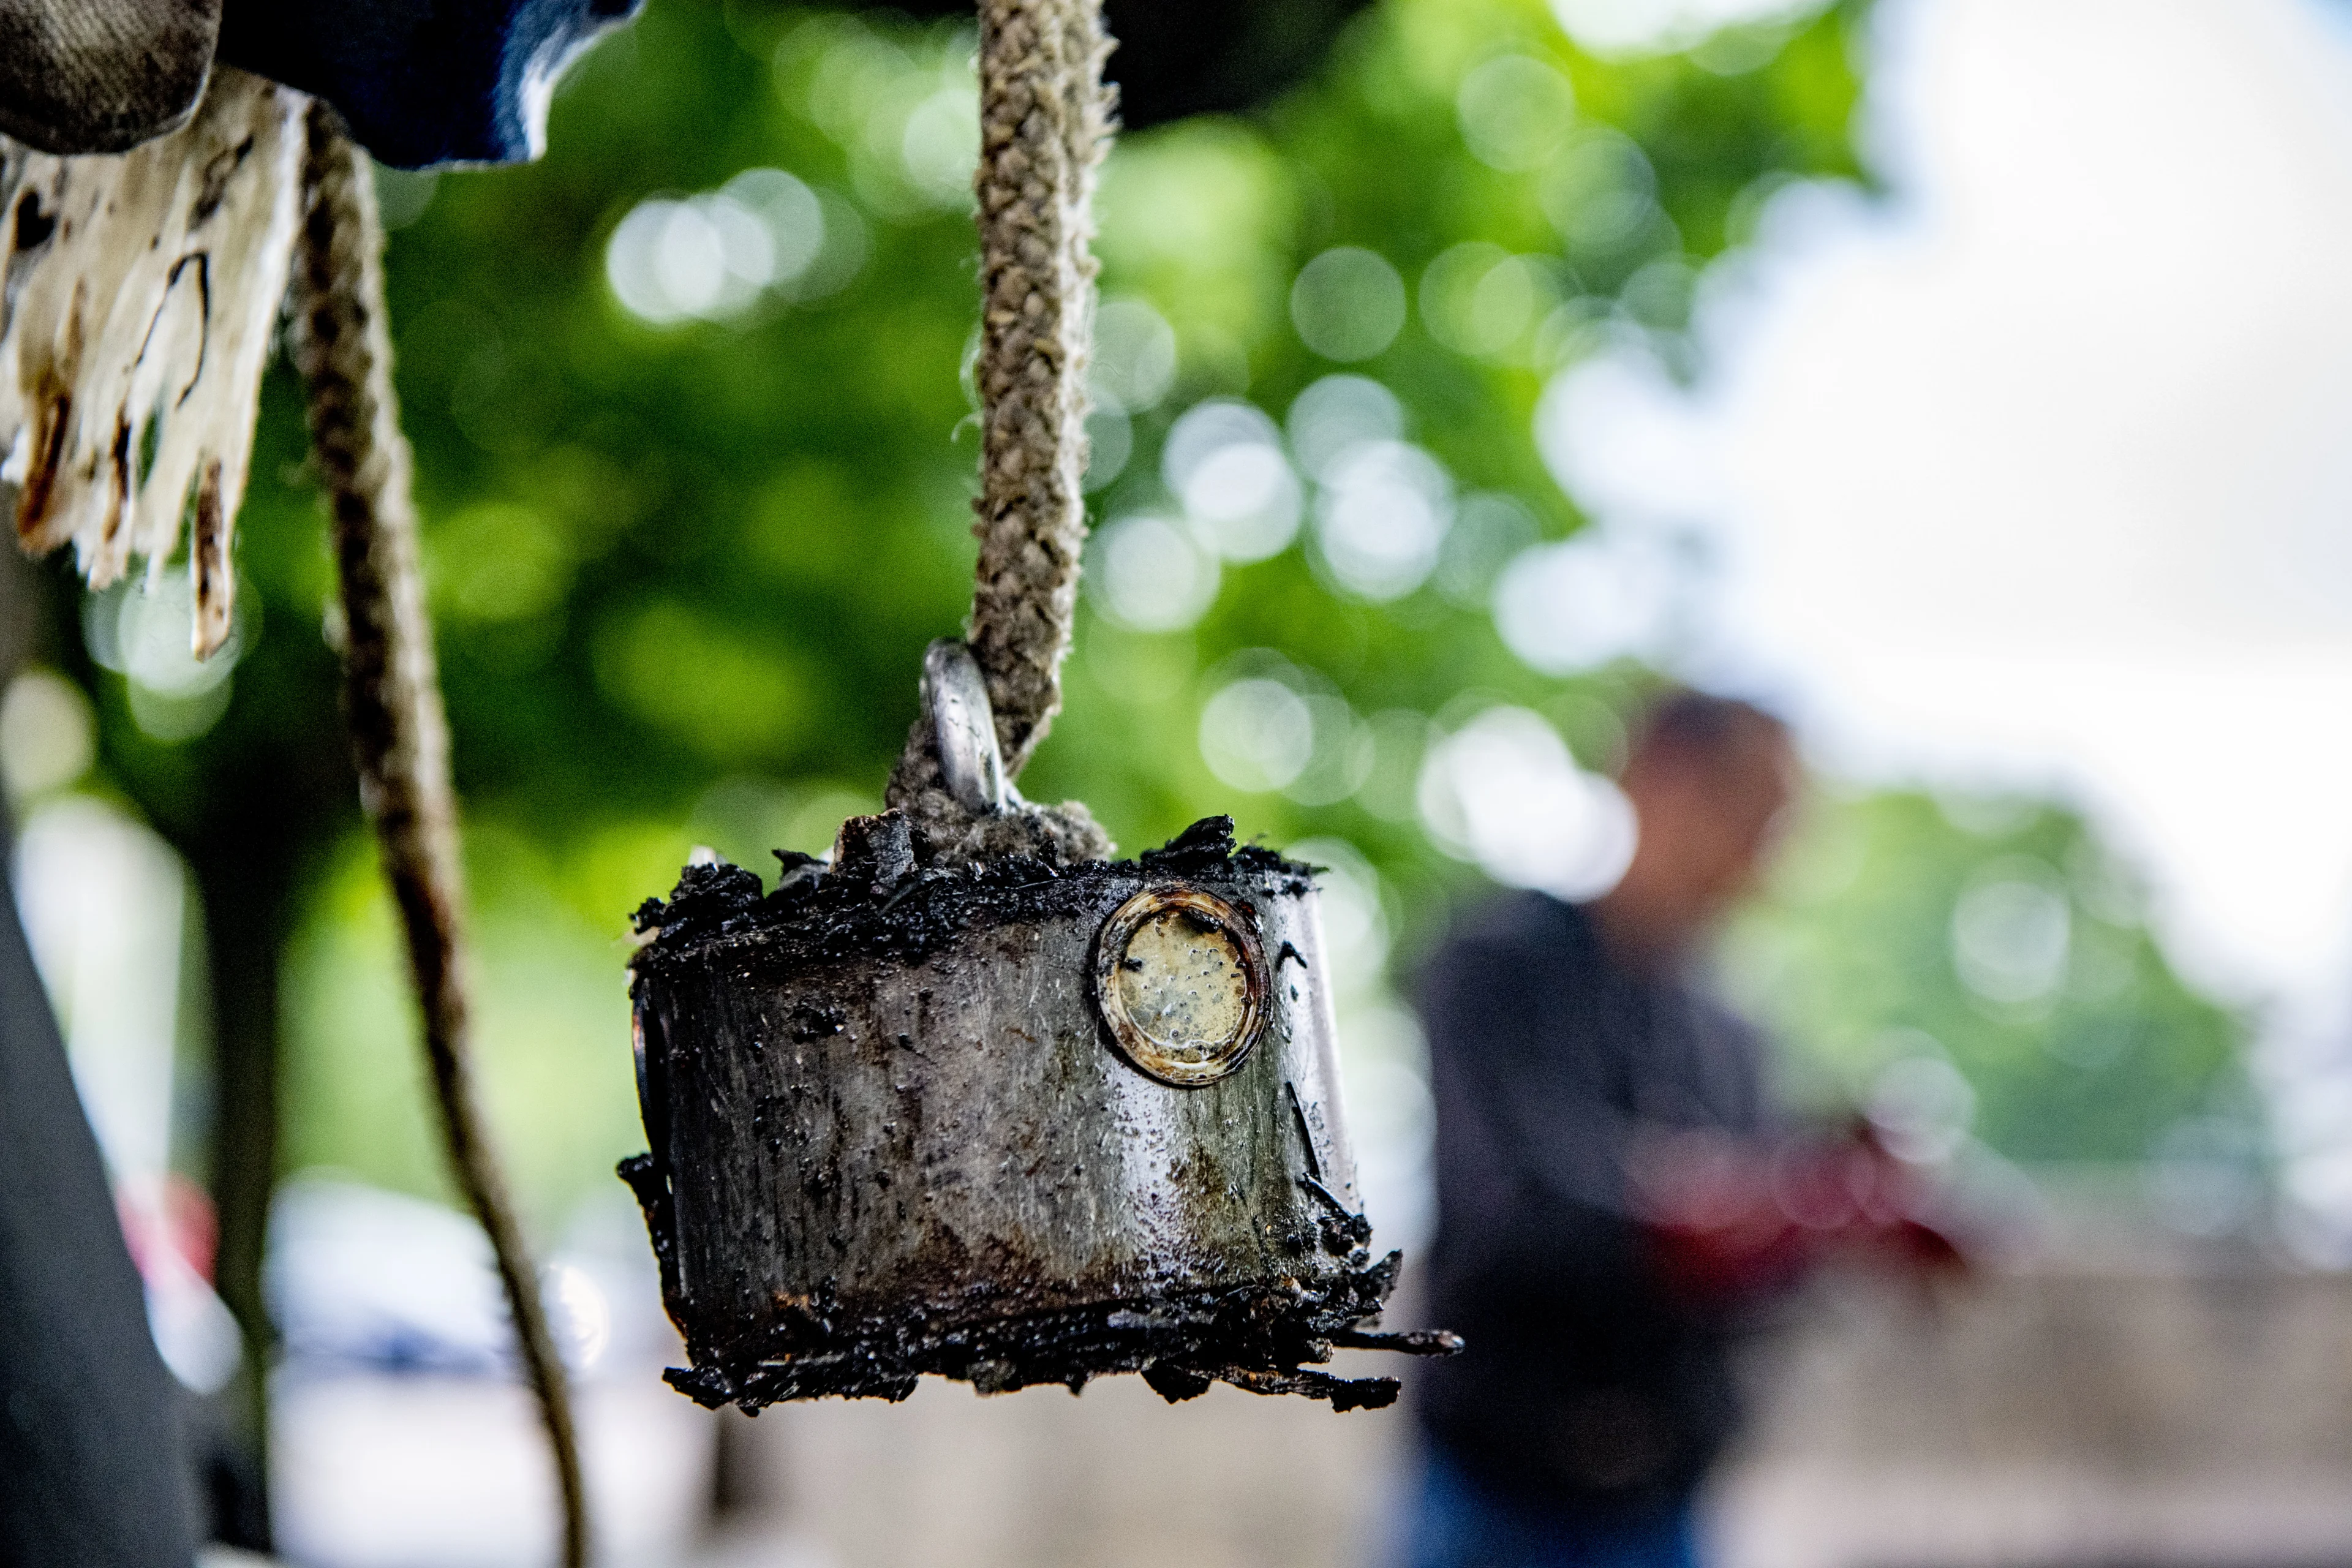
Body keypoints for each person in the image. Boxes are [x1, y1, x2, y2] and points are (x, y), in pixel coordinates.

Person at [1406, 690, 1943, 1568]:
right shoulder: (1495, 967)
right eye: (1743, 808)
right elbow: (1518, 1201)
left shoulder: (1733, 1036)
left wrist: (1836, 1204)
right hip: (1493, 1487)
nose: (1760, 855)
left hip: (1666, 1502)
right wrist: (1759, 1206)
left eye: (1777, 826)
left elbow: (1754, 1271)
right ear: (1652, 777)